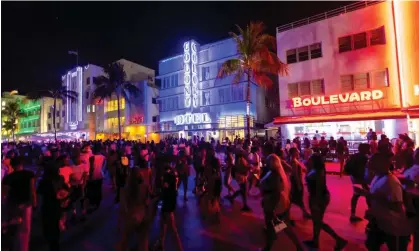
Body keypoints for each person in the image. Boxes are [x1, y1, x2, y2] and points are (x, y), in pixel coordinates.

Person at [365, 153, 414, 251]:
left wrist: (374, 199)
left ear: (382, 164)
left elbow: (397, 206)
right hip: (380, 222)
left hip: (393, 226)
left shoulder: (391, 182)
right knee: (371, 244)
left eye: (372, 161)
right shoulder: (378, 176)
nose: (369, 163)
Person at [258, 154, 304, 251]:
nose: (266, 162)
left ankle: (269, 246)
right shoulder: (277, 172)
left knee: (276, 227)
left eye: (268, 160)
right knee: (283, 227)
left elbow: (275, 192)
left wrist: (273, 209)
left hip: (275, 205)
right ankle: (299, 247)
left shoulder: (274, 174)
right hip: (280, 204)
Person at [304, 153, 348, 250]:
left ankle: (338, 239)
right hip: (319, 197)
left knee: (318, 221)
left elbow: (318, 188)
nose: (308, 160)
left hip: (318, 198)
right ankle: (315, 241)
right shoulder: (317, 170)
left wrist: (316, 203)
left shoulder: (317, 172)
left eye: (310, 159)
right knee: (317, 222)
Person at [2, 156, 37, 251]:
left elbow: (4, 194)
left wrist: (6, 206)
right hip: (26, 204)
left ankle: (11, 246)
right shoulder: (29, 174)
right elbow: (32, 190)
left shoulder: (8, 178)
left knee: (13, 227)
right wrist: (34, 202)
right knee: (25, 229)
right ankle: (23, 248)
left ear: (12, 166)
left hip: (14, 204)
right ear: (22, 164)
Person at [117, 162, 152, 251]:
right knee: (143, 243)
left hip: (132, 216)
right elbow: (148, 201)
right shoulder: (145, 186)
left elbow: (123, 207)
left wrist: (121, 222)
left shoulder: (125, 189)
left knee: (124, 242)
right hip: (143, 215)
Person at [38, 161, 69, 251]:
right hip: (57, 205)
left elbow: (40, 194)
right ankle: (55, 243)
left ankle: (50, 240)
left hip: (48, 205)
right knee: (55, 225)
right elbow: (66, 188)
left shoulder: (44, 182)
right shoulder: (60, 179)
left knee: (48, 224)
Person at [152, 162, 184, 251]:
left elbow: (165, 193)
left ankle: (179, 248)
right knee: (163, 226)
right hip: (168, 206)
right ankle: (161, 244)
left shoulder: (167, 179)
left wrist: (156, 198)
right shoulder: (172, 179)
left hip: (168, 207)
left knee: (172, 230)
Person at [344, 143, 370, 222]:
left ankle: (353, 214)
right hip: (360, 178)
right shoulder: (364, 157)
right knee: (368, 195)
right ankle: (372, 213)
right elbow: (363, 169)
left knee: (356, 195)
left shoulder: (355, 155)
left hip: (354, 177)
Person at [288, 147, 311, 219]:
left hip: (297, 182)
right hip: (296, 182)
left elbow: (301, 169)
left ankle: (304, 213)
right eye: (297, 151)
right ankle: (286, 215)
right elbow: (295, 175)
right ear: (294, 153)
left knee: (295, 199)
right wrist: (298, 185)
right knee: (295, 198)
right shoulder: (293, 162)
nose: (298, 152)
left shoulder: (295, 160)